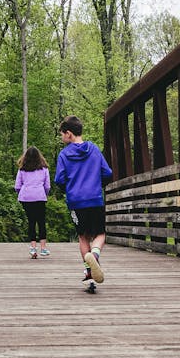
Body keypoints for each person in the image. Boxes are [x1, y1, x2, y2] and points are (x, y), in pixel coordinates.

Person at [54, 115, 112, 293]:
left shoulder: (64, 154)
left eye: (62, 134)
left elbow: (59, 179)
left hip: (76, 202)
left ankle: (89, 274)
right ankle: (94, 254)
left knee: (83, 236)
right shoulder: (94, 149)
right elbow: (108, 173)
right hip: (94, 198)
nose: (62, 137)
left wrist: (70, 189)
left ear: (69, 134)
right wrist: (96, 184)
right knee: (100, 234)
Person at [14, 145, 51, 259]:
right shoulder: (44, 169)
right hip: (40, 197)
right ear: (39, 157)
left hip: (26, 198)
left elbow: (17, 186)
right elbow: (47, 186)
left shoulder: (22, 170)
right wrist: (44, 193)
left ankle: (33, 248)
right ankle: (43, 248)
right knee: (41, 222)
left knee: (31, 222)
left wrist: (22, 193)